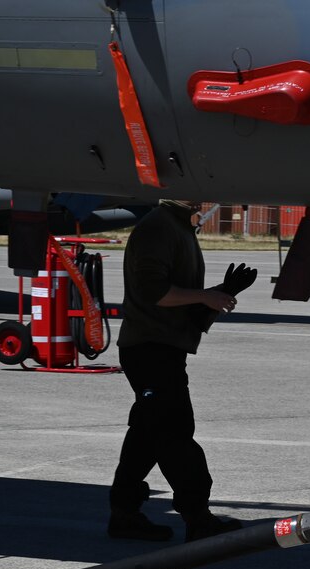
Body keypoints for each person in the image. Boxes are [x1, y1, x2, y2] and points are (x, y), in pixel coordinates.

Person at [107, 200, 257, 541]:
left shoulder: (178, 227)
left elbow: (182, 304)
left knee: (147, 435)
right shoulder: (158, 227)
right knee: (175, 432)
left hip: (160, 348)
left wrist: (220, 293)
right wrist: (206, 296)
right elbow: (153, 292)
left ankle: (124, 513)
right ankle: (196, 516)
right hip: (150, 350)